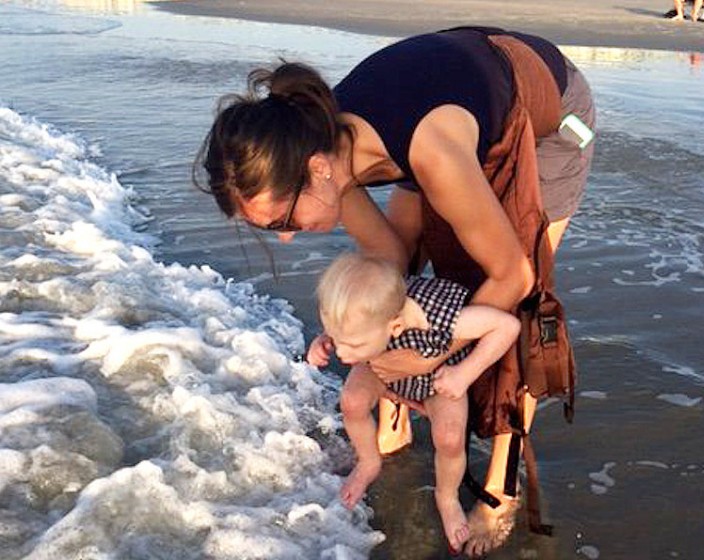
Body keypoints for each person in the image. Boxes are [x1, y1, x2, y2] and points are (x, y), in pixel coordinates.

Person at [194, 25, 595, 557]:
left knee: (518, 291)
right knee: (400, 260)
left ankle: (502, 481)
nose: (286, 236)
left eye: (281, 220)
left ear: (316, 170)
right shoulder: (324, 149)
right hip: (441, 108)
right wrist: (371, 341)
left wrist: (427, 355)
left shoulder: (423, 149)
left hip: (546, 114)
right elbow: (389, 262)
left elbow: (513, 278)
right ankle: (394, 412)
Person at [307, 253, 520, 552]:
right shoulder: (364, 317)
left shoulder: (438, 316)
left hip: (438, 377)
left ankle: (446, 497)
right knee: (352, 401)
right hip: (384, 366)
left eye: (352, 345)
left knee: (449, 439)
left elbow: (507, 326)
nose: (341, 355)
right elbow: (342, 331)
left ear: (394, 327)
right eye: (339, 341)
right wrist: (324, 341)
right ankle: (369, 462)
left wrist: (464, 374)